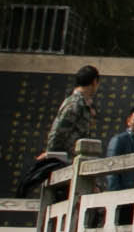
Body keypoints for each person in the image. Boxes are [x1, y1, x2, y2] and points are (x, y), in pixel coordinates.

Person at [25, 65, 100, 194]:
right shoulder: (75, 104)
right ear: (94, 82)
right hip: (65, 164)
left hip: (74, 164)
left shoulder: (84, 104)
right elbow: (57, 132)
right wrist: (51, 158)